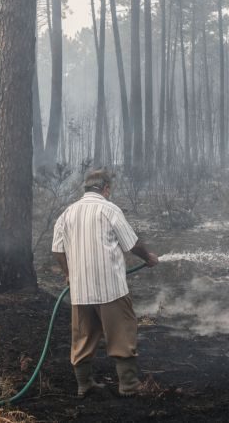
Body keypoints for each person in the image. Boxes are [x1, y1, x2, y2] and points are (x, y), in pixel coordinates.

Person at [51, 168, 158, 397]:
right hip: (111, 289)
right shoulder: (109, 209)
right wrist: (148, 257)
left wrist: (68, 273)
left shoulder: (67, 213)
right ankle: (128, 386)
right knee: (122, 333)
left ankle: (84, 384)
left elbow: (57, 250)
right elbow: (131, 244)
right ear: (106, 188)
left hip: (80, 291)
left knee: (83, 336)